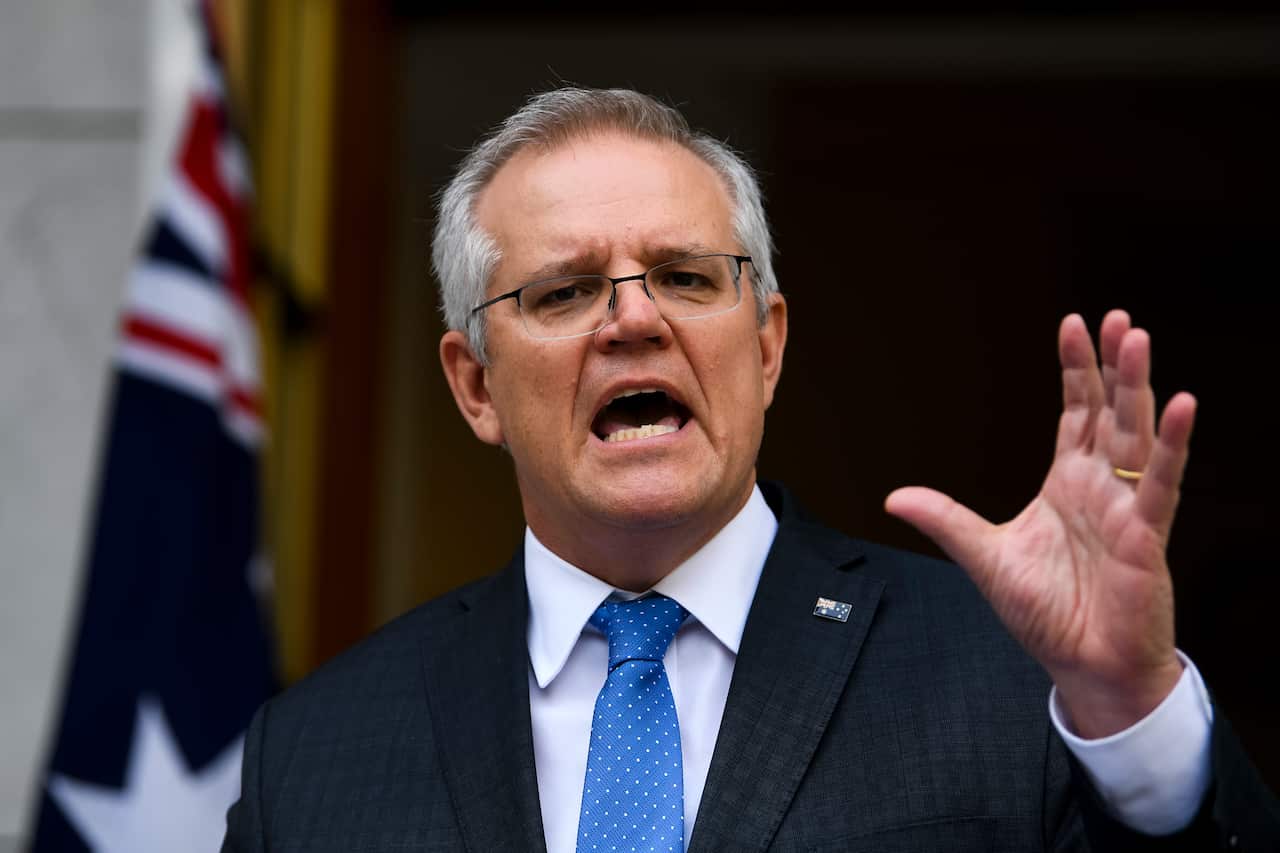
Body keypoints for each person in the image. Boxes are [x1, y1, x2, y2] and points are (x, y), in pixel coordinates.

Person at [222, 87, 1278, 852]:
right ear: (475, 386)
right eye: (564, 292)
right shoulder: (314, 752)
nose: (634, 319)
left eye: (685, 276)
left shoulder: (1010, 671)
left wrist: (1129, 710)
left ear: (766, 347)